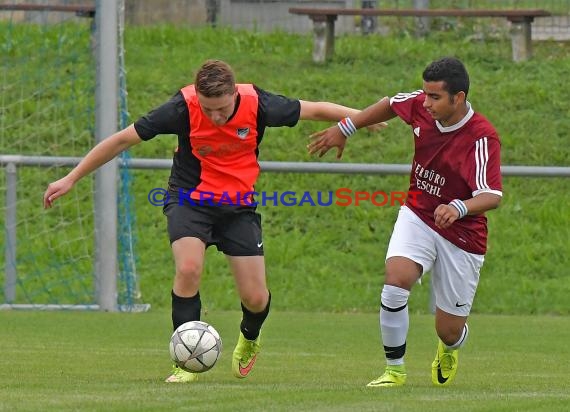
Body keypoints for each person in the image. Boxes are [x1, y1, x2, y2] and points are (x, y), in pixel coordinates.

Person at [43, 59, 382, 383]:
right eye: (208, 109)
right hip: (189, 200)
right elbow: (122, 140)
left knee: (256, 299)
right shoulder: (180, 108)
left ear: (234, 93)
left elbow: (317, 109)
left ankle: (249, 336)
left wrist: (362, 118)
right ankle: (186, 362)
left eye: (222, 108)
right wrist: (71, 178)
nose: (216, 116)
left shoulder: (259, 104)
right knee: (188, 269)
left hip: (237, 206)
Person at [308, 57, 502, 387]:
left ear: (459, 97)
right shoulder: (421, 105)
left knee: (449, 330)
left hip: (463, 234)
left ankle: (450, 346)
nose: (425, 103)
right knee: (396, 280)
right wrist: (346, 128)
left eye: (434, 97)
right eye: (425, 95)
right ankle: (394, 370)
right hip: (419, 213)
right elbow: (389, 104)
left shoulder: (482, 137)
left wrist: (458, 207)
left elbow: (492, 194)